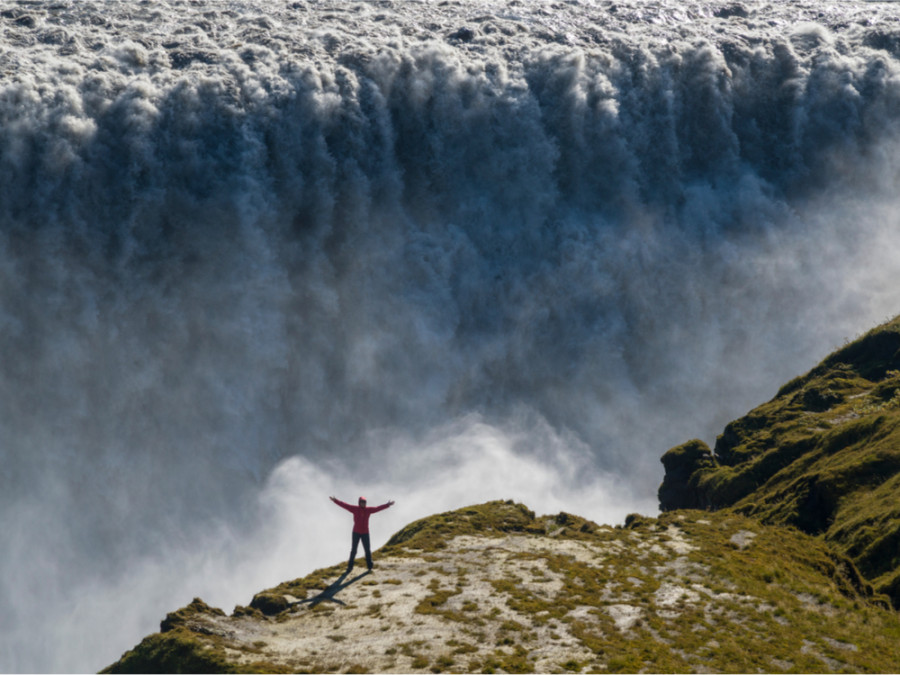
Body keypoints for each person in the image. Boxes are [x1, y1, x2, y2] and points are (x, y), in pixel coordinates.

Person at [330, 495, 394, 572]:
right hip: (356, 532)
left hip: (365, 533)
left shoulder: (368, 510)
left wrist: (387, 505)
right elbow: (344, 505)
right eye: (361, 502)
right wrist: (335, 500)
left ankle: (370, 567)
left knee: (367, 550)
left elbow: (377, 508)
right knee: (354, 550)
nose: (363, 503)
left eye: (364, 502)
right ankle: (350, 567)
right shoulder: (354, 509)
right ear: (359, 503)